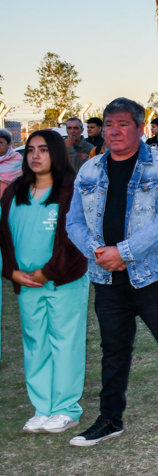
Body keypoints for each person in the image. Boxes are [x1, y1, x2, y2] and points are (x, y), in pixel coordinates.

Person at [65, 97, 158, 446]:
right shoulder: (90, 170)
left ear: (140, 129)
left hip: (155, 276)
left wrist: (123, 253)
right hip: (107, 277)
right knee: (113, 350)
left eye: (123, 124)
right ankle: (110, 419)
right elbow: (73, 222)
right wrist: (99, 254)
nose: (114, 131)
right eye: (109, 125)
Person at [1, 130, 89, 435]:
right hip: (26, 284)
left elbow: (74, 239)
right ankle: (43, 408)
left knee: (65, 342)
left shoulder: (71, 189)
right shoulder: (15, 190)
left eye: (43, 150)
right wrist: (11, 271)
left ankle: (66, 408)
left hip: (62, 282)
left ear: (57, 153)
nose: (35, 156)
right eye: (30, 150)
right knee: (35, 343)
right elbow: (4, 238)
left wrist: (49, 272)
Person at [0, 129, 22, 197]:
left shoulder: (17, 159)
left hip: (10, 197)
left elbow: (21, 180)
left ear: (9, 143)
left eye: (1, 142)